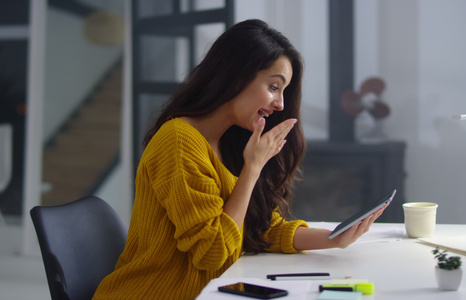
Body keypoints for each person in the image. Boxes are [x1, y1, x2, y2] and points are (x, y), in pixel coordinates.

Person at [93, 19, 385, 300]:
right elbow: (213, 253)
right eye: (274, 87)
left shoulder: (229, 142)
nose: (281, 104)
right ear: (235, 76)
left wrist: (333, 239)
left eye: (283, 91)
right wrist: (252, 169)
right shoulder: (179, 142)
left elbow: (259, 228)